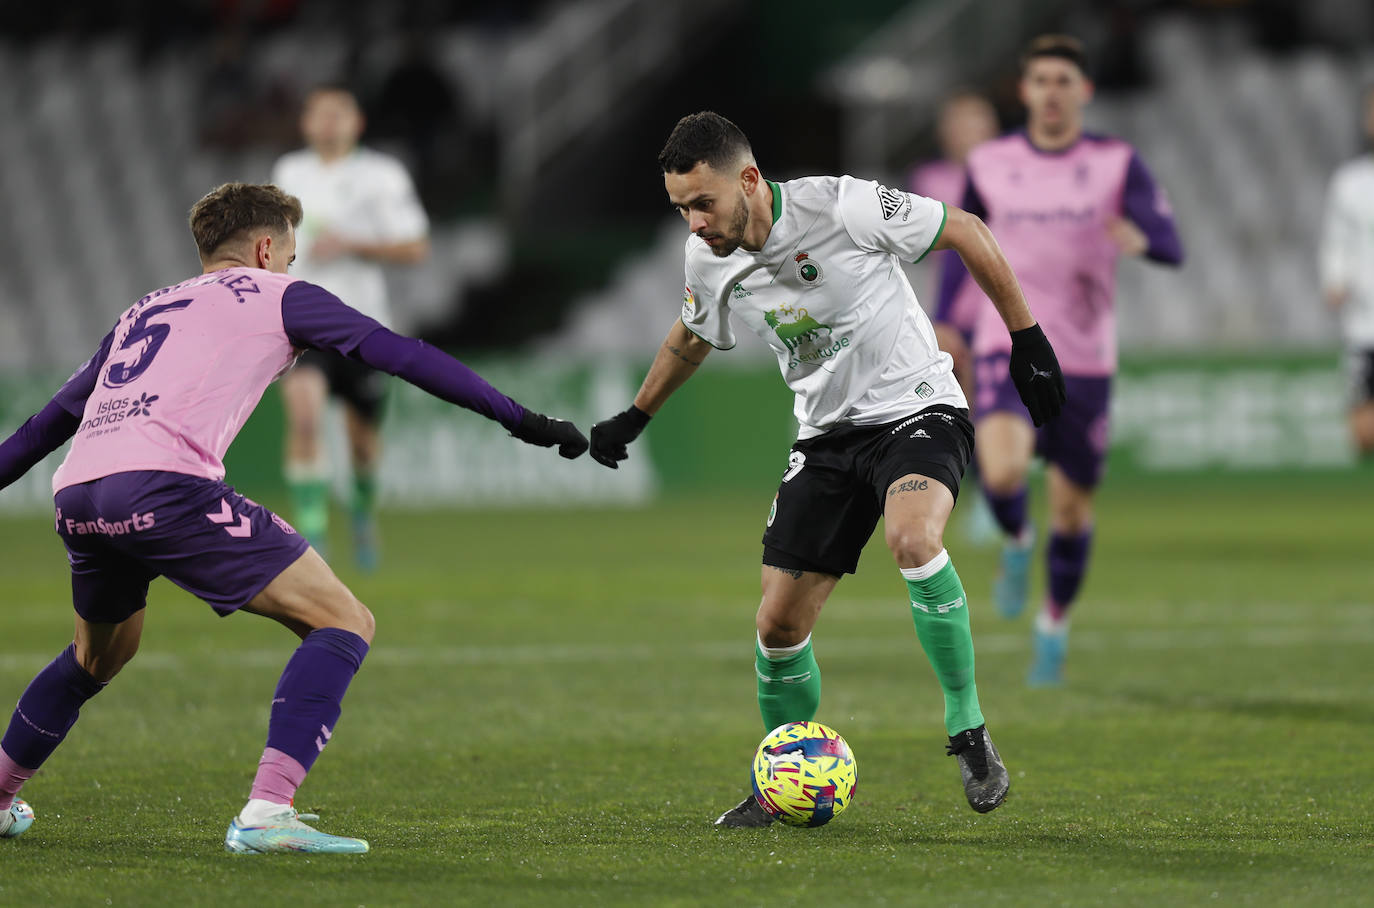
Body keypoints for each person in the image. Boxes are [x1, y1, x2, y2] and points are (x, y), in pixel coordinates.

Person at [0, 183, 587, 852]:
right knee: (343, 619)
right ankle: (265, 814)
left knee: (97, 656)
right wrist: (524, 419)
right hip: (163, 487)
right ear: (263, 246)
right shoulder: (281, 296)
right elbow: (405, 356)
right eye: (290, 255)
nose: (290, 269)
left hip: (78, 492)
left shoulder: (144, 308)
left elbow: (43, 427)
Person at [588, 111, 1065, 826]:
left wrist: (1027, 339)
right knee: (777, 627)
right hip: (825, 439)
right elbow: (692, 334)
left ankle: (968, 729)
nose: (693, 222)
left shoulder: (843, 205)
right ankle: (780, 781)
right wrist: (636, 414)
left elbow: (964, 228)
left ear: (748, 179)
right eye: (680, 208)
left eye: (702, 202)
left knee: (914, 539)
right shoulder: (709, 260)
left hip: (916, 411)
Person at [939, 35, 1183, 685]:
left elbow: (1169, 239)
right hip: (1009, 339)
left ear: (1084, 92)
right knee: (1003, 466)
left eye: (1063, 80)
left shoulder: (1114, 162)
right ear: (1025, 92)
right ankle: (1018, 541)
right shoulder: (990, 162)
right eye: (1040, 80)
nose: (1051, 91)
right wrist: (945, 319)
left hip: (1086, 357)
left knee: (1073, 512)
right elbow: (961, 239)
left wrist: (1143, 239)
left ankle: (1053, 623)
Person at [272, 84, 431, 569]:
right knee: (304, 416)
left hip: (362, 326)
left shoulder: (382, 175)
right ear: (305, 123)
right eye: (318, 113)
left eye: (338, 113)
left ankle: (361, 512)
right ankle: (313, 537)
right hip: (302, 324)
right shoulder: (288, 172)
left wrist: (353, 245)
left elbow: (415, 248)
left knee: (362, 442)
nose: (327, 122)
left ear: (357, 122)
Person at [908, 91, 1001, 543]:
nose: (965, 133)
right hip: (955, 315)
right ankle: (975, 497)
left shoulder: (1012, 176)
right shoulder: (929, 178)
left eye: (974, 123)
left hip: (1003, 311)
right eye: (957, 123)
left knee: (995, 410)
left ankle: (996, 497)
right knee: (957, 410)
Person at [1319, 85, 1374, 460]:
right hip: (1365, 319)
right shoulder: (1350, 181)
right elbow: (1334, 239)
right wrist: (1334, 280)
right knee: (1362, 436)